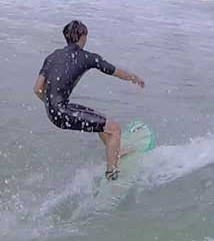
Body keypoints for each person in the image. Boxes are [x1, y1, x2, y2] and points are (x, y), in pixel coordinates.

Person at [34, 20, 145, 181]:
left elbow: (37, 89)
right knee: (114, 129)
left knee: (101, 122)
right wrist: (133, 78)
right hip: (63, 111)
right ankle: (112, 174)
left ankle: (113, 153)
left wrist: (52, 106)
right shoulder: (87, 57)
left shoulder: (52, 56)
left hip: (53, 111)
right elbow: (112, 70)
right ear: (83, 35)